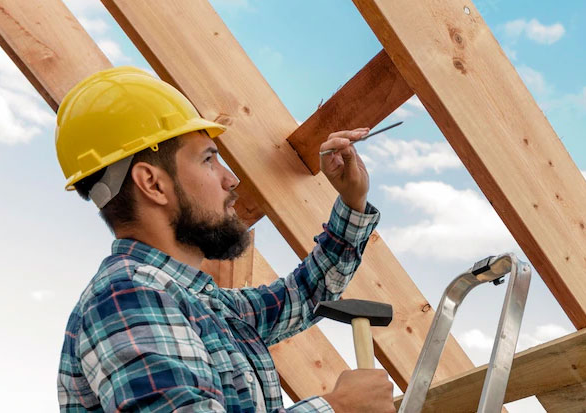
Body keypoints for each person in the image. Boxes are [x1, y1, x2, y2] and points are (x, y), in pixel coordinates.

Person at [56, 66, 395, 413]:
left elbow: (306, 294)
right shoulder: (127, 297)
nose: (231, 179)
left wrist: (353, 201)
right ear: (153, 184)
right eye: (208, 159)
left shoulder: (204, 306)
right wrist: (338, 408)